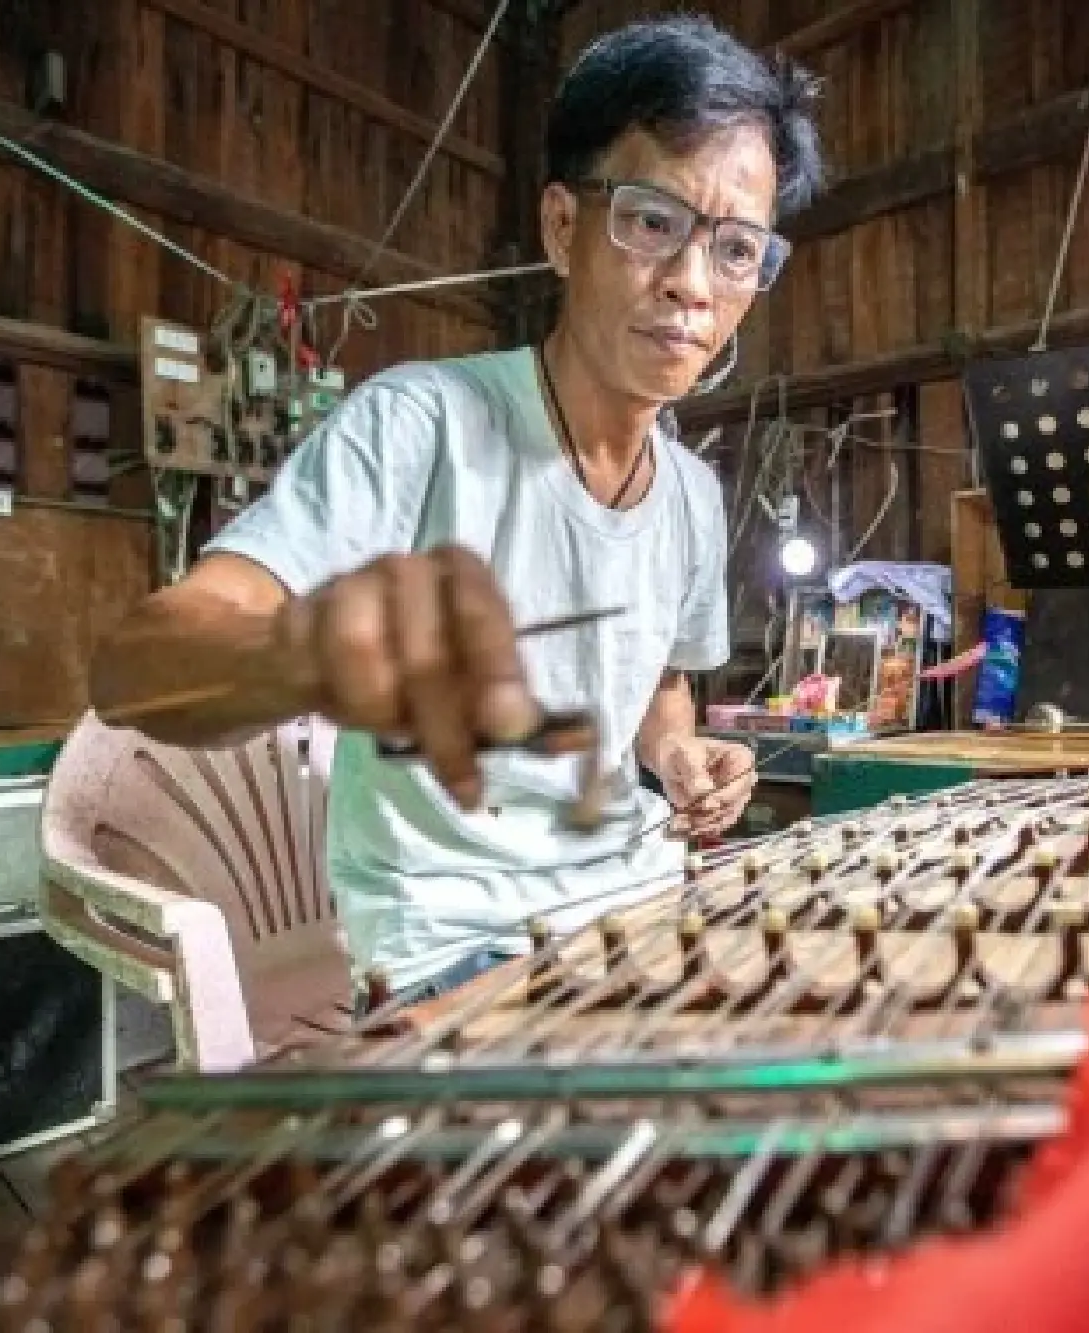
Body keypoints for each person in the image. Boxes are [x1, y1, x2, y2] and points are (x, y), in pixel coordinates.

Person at [88, 16, 825, 1004]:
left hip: (635, 901)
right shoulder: (421, 424)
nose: (691, 284)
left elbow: (656, 694)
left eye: (735, 249)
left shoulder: (691, 494)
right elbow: (147, 669)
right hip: (460, 941)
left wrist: (679, 754)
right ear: (563, 227)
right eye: (651, 221)